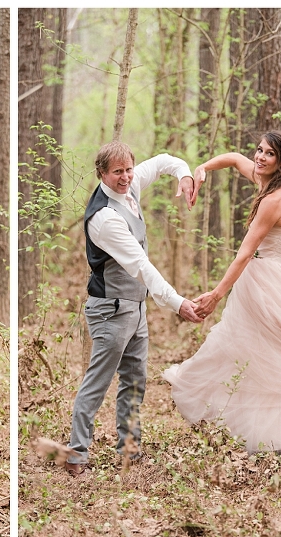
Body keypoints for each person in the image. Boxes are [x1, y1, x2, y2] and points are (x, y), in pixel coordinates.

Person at [163, 130, 281, 453]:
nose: (260, 157)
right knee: (249, 351)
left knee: (278, 355)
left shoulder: (274, 199)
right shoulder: (264, 180)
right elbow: (232, 160)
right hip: (259, 279)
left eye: (269, 154)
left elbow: (245, 253)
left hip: (267, 282)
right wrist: (201, 169)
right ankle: (251, 419)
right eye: (259, 150)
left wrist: (216, 295)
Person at [65, 141, 203, 477]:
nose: (126, 177)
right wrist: (178, 303)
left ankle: (129, 449)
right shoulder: (104, 219)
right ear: (102, 174)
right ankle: (76, 455)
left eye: (129, 169)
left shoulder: (130, 184)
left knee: (135, 380)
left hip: (134, 306)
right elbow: (141, 265)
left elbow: (163, 162)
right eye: (117, 172)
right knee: (98, 381)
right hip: (111, 309)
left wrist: (183, 175)